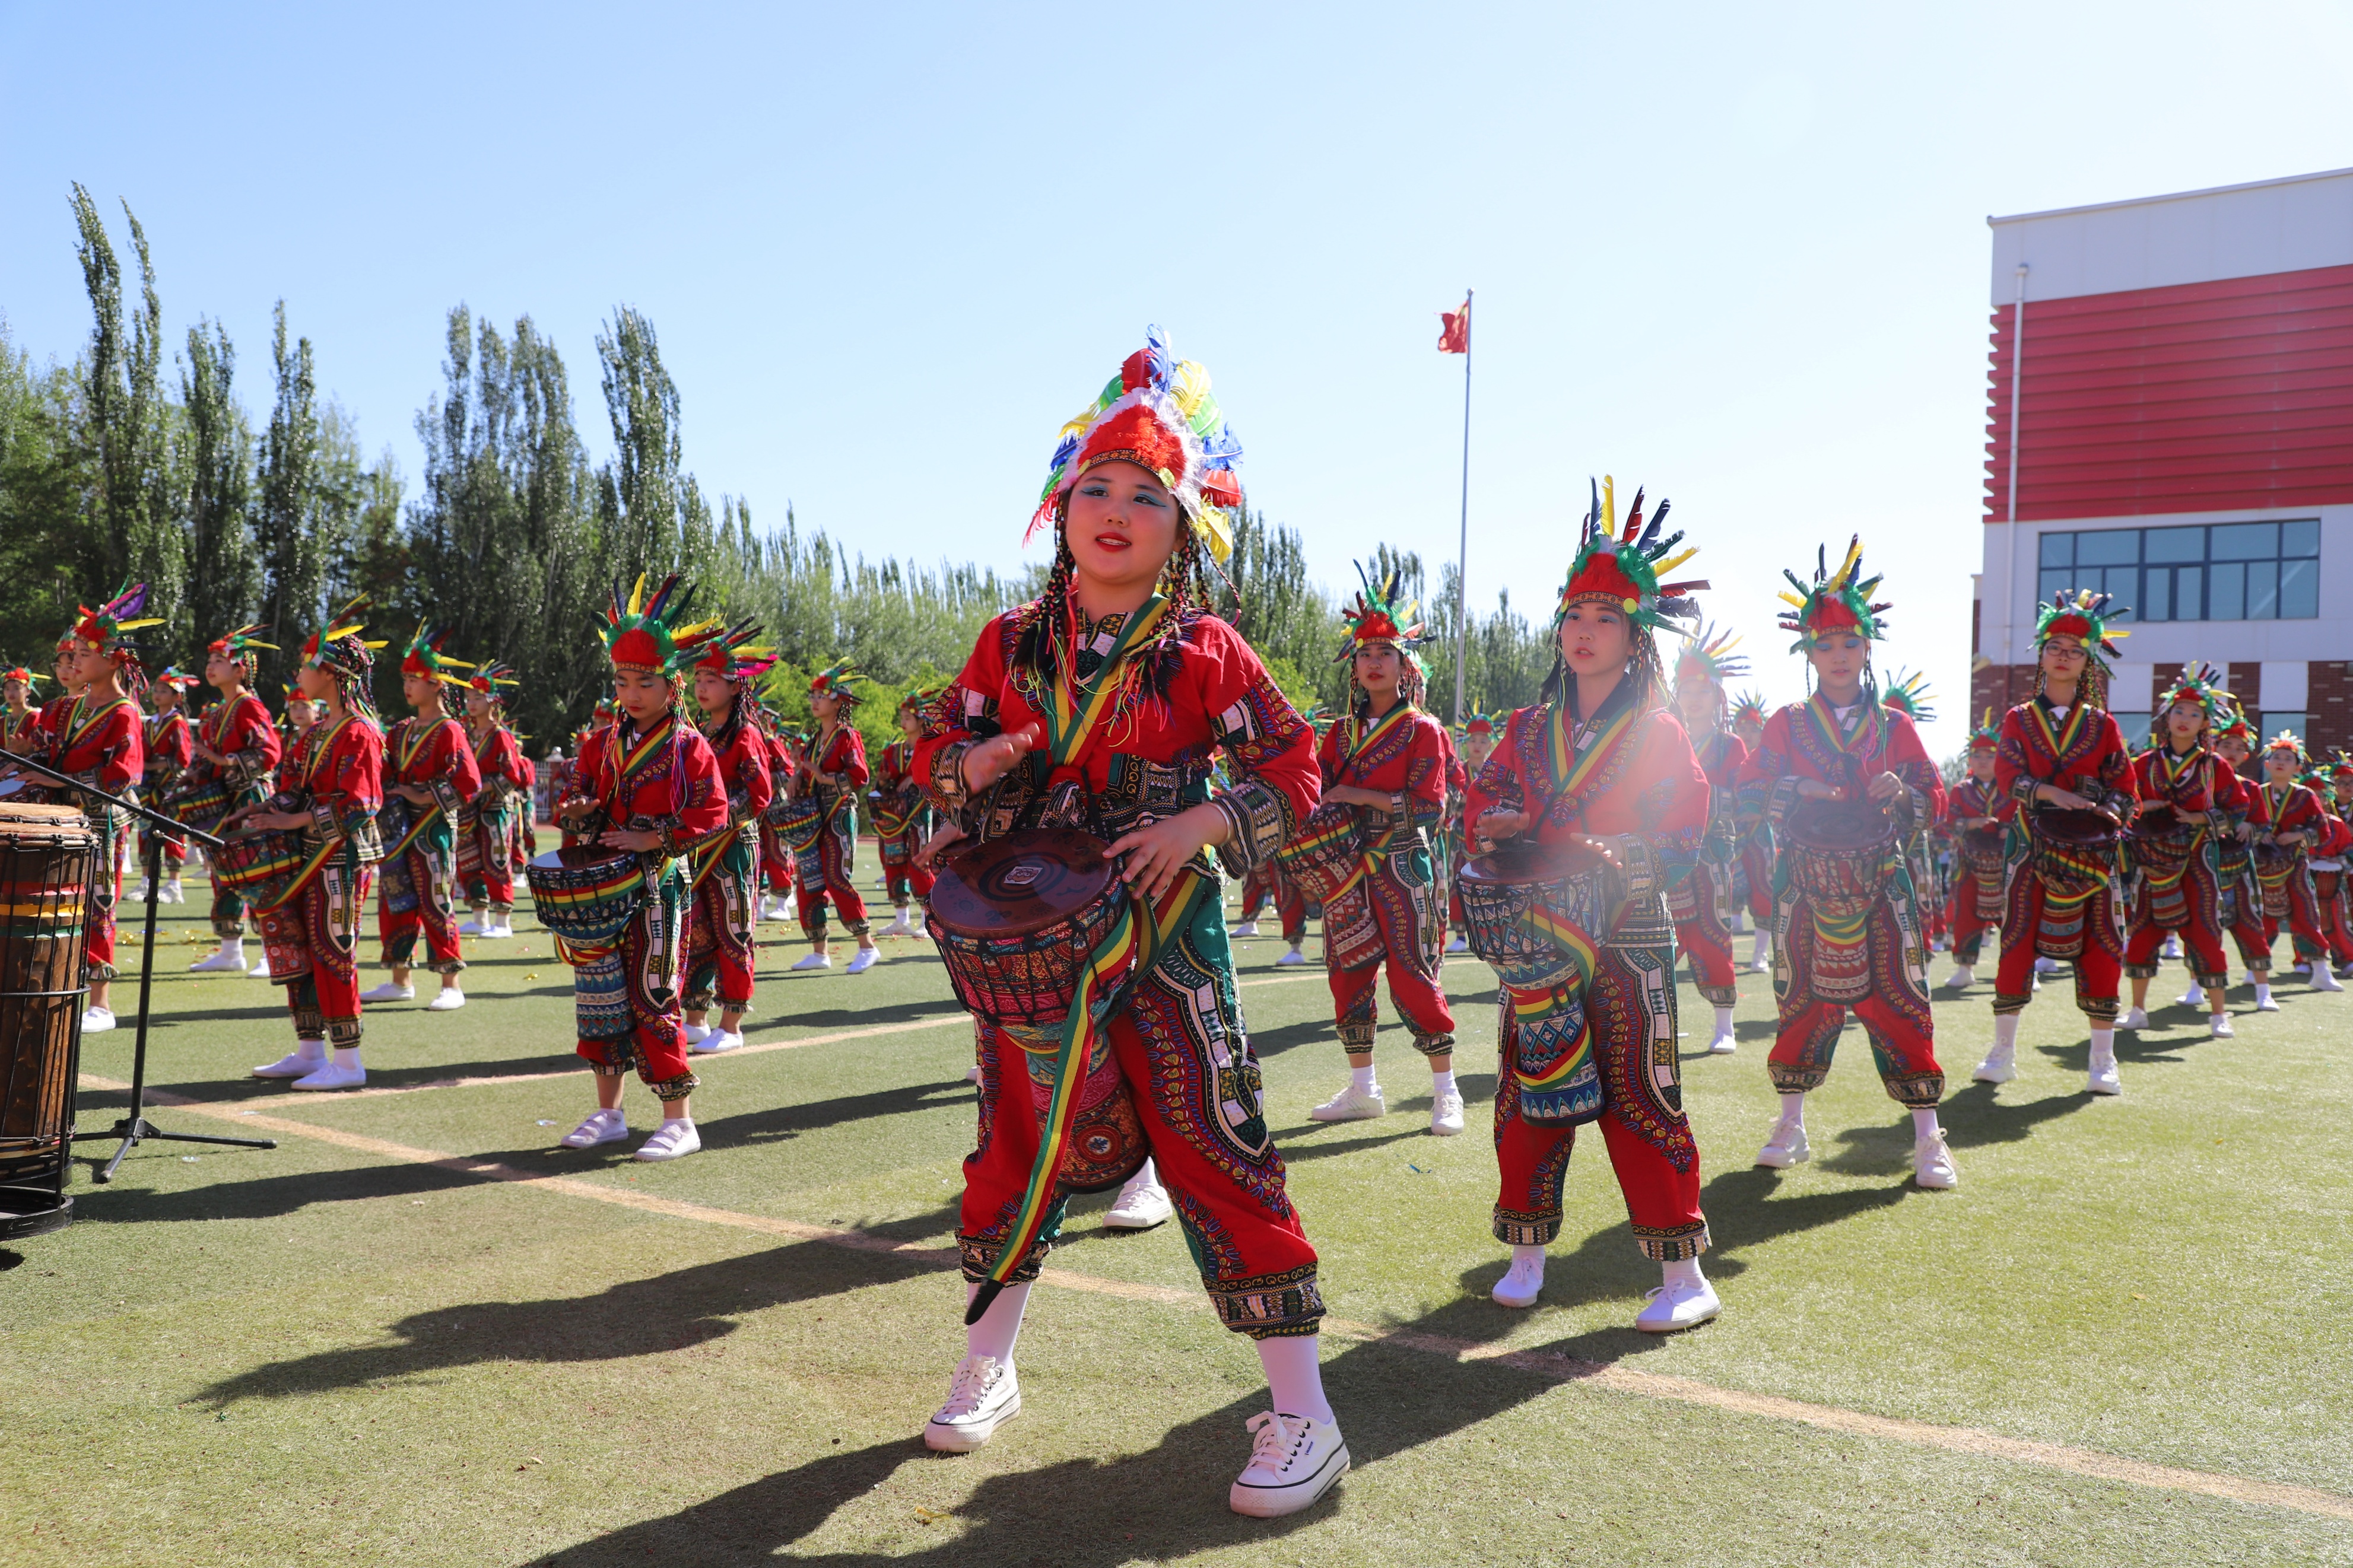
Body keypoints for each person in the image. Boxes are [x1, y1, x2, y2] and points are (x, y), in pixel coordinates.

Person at [909, 327, 1345, 1516]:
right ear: (1058, 509)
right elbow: (930, 752)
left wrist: (1199, 824)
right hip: (1031, 944)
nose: (1113, 510)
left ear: (1181, 527)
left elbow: (1298, 766)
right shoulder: (1005, 643)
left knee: (1215, 1142)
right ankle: (986, 1364)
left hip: (1163, 940)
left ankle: (1303, 1412)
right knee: (1013, 1145)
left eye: (1144, 495)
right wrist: (971, 764)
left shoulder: (1206, 649)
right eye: (1092, 487)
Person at [1468, 476, 1722, 1326]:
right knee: (1528, 1087)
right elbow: (1483, 799)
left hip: (1626, 935)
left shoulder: (1657, 731)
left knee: (1640, 1093)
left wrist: (1627, 859)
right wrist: (1496, 820)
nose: (1583, 632)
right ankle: (1526, 1249)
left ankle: (1684, 1276)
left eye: (1604, 617)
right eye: (1573, 615)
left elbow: (1688, 827)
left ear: (1635, 634)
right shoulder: (1524, 726)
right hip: (1540, 934)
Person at [1736, 542, 1955, 1188]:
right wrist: (1791, 791)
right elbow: (1747, 795)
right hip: (1802, 879)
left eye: (1848, 644)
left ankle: (1928, 1138)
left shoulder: (1894, 725)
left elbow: (1934, 801)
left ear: (1867, 651)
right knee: (1799, 1000)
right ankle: (1790, 1126)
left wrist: (1905, 793)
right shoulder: (1785, 723)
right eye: (1823, 645)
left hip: (1878, 879)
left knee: (1902, 1003)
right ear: (1806, 654)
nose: (1836, 656)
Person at [551, 575, 729, 1160]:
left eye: (644, 681)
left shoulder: (688, 746)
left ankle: (679, 1119)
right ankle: (608, 1112)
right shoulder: (597, 743)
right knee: (598, 999)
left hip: (657, 891)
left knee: (654, 996)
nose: (631, 693)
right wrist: (578, 814)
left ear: (670, 683)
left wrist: (653, 835)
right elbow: (576, 800)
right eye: (622, 681)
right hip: (603, 890)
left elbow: (713, 813)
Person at [1301, 567, 1463, 1136]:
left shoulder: (1424, 731)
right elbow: (1314, 794)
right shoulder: (1336, 733)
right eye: (1364, 652)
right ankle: (1363, 1088)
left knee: (1413, 973)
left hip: (1402, 863)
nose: (1373, 661)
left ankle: (1446, 1090)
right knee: (1347, 973)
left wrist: (1354, 794)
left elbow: (1429, 810)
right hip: (1346, 870)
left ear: (1404, 664)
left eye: (1385, 652)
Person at [1973, 590, 2142, 1095]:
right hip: (2030, 843)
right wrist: (2045, 791)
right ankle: (2002, 1053)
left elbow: (2125, 785)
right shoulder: (2016, 718)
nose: (2063, 653)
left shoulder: (2102, 724)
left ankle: (2101, 1059)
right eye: (2054, 645)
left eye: (2074, 647)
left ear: (2088, 659)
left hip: (2093, 848)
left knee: (2102, 944)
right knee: (2016, 942)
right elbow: (2007, 776)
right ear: (2041, 653)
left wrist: (2108, 810)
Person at [242, 600, 388, 1089]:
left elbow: (360, 804)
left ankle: (348, 1062)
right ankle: (309, 1050)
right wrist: (261, 809)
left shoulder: (360, 732)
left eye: (307, 664)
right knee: (295, 947)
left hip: (340, 858)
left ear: (331, 673)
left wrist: (295, 816)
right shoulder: (314, 732)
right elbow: (292, 786)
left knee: (332, 948)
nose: (299, 673)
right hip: (305, 851)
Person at [48, 586, 157, 1035]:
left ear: (112, 659)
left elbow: (123, 776)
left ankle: (101, 1003)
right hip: (64, 820)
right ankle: (62, 985)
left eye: (84, 654)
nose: (74, 663)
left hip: (100, 823)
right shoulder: (71, 708)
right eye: (72, 655)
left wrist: (61, 781)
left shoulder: (124, 711)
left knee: (99, 905)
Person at [360, 624, 481, 1012]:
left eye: (417, 678)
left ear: (437, 685)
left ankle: (451, 983)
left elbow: (469, 782)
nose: (409, 685)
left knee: (436, 900)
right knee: (394, 899)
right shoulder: (400, 730)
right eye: (406, 678)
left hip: (432, 831)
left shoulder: (449, 730)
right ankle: (401, 979)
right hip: (397, 831)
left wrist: (420, 793)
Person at [2117, 664, 2241, 1037]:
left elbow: (2237, 809)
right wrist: (2144, 808)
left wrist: (2201, 818)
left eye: (2195, 713)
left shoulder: (2214, 765)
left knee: (2204, 931)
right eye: (2179, 711)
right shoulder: (2143, 764)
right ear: (2166, 717)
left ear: (2205, 723)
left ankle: (2219, 1014)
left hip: (2197, 860)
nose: (2185, 719)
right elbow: (2124, 804)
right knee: (2142, 930)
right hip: (2150, 862)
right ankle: (2138, 1010)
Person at [682, 624, 777, 1055]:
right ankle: (696, 1018)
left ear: (734, 686)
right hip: (700, 847)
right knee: (696, 929)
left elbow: (759, 795)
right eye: (698, 679)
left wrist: (715, 819)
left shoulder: (745, 734)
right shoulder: (700, 733)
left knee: (733, 931)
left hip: (735, 847)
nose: (701, 687)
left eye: (711, 680)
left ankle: (732, 1023)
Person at [174, 626, 286, 975]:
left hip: (250, 801)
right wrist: (198, 772)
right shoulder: (218, 712)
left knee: (260, 874)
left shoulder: (249, 706)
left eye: (219, 660)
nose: (211, 666)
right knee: (224, 875)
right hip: (225, 806)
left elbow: (269, 753)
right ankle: (230, 950)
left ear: (239, 669)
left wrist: (222, 762)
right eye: (210, 660)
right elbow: (212, 759)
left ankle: (271, 953)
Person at [1668, 625, 1750, 1054]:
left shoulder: (1730, 745)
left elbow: (1744, 799)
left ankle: (1724, 1023)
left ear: (1717, 695)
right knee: (1655, 936)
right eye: (1686, 687)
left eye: (1703, 688)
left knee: (1713, 932)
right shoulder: (1664, 740)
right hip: (1664, 852)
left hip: (1712, 855)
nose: (1694, 696)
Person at [787, 663, 879, 972]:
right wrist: (798, 777)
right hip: (815, 816)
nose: (815, 700)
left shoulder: (846, 736)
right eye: (813, 694)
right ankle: (819, 952)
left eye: (822, 695)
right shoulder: (815, 739)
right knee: (809, 882)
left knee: (836, 878)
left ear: (838, 701)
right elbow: (809, 773)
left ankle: (867, 946)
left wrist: (822, 777)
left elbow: (860, 776)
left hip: (839, 813)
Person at [2253, 732, 2344, 991]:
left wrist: (2297, 835)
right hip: (2262, 868)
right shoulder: (2257, 793)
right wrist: (2260, 833)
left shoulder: (2305, 796)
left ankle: (2320, 970)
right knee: (2262, 916)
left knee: (2305, 914)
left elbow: (2323, 831)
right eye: (2276, 758)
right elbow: (2244, 825)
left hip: (2295, 865)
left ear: (2298, 767)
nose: (2281, 762)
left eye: (2288, 759)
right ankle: (2256, 967)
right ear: (2267, 764)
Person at [458, 663, 528, 939]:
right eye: (469, 698)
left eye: (478, 698)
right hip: (468, 810)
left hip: (494, 808)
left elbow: (513, 776)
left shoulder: (501, 736)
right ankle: (479, 917)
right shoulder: (465, 733)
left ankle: (502, 922)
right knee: (469, 861)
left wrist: (481, 787)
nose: (471, 703)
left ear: (492, 700)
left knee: (496, 860)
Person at [1879, 669, 1946, 953]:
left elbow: (1937, 808)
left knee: (1918, 907)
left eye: (1900, 717)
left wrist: (1904, 793)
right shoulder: (1860, 754)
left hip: (1912, 848)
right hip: (1868, 851)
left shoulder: (1923, 762)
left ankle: (1923, 982)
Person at [1942, 710, 2007, 988]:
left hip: (2007, 864)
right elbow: (1949, 823)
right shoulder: (1960, 789)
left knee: (2014, 916)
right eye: (1978, 756)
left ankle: (2023, 970)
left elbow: (2025, 820)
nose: (1983, 761)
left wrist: (2009, 829)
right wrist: (1973, 823)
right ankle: (1965, 969)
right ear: (1970, 760)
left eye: (1990, 756)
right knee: (1966, 914)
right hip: (1969, 863)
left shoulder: (2011, 788)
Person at [871, 687, 939, 939]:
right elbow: (883, 780)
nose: (903, 721)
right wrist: (884, 780)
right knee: (893, 862)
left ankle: (928, 920)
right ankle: (901, 919)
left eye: (907, 717)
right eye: (901, 717)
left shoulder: (931, 746)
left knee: (919, 862)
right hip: (893, 816)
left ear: (921, 720)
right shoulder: (894, 751)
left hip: (919, 814)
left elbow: (939, 777)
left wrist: (914, 778)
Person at [135, 667, 196, 904]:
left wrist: (155, 766)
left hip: (169, 785)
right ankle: (146, 882)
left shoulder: (177, 722)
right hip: (149, 786)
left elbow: (183, 758)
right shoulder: (151, 722)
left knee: (172, 831)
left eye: (164, 691)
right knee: (145, 830)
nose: (158, 694)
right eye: (156, 690)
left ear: (176, 696)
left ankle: (174, 884)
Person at [1728, 690, 1776, 970]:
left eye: (1752, 728)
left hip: (1759, 833)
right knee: (1725, 890)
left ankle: (1760, 953)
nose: (1745, 733)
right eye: (1740, 728)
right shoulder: (1727, 750)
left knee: (1763, 891)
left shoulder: (1768, 759)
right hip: (1729, 832)